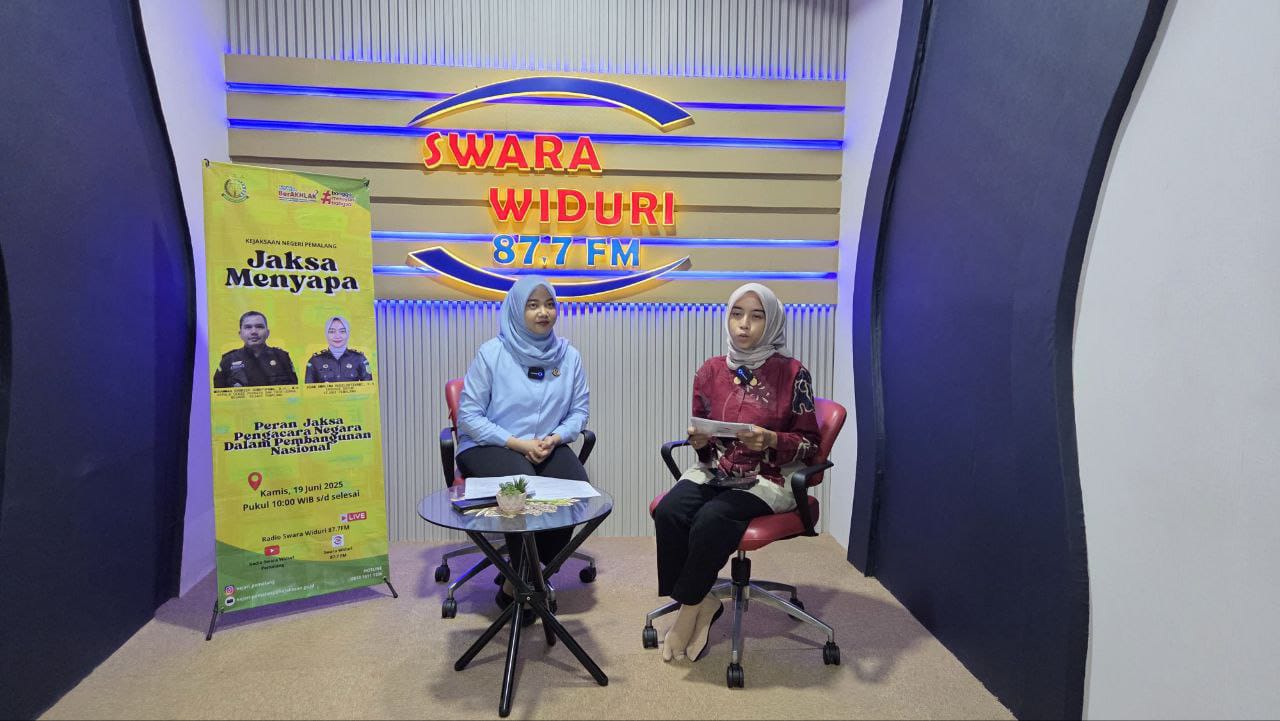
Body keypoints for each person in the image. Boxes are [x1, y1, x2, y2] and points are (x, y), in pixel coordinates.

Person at [652, 283, 820, 662]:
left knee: (712, 518)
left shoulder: (793, 373)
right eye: (736, 314)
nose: (744, 324)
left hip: (769, 478)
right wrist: (700, 443)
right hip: (718, 469)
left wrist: (772, 439)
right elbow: (707, 443)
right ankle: (703, 600)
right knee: (670, 511)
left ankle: (689, 611)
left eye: (756, 316)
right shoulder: (710, 370)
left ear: (771, 322)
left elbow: (811, 444)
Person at [455, 276, 590, 618]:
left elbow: (579, 412)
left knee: (575, 489)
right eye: (533, 305)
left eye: (549, 304)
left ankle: (528, 576)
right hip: (490, 443)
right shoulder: (492, 353)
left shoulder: (569, 356)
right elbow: (468, 417)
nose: (543, 312)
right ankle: (522, 584)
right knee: (521, 487)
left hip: (545, 444)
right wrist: (517, 443)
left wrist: (556, 437)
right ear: (516, 310)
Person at [213, 311, 298, 388]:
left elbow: (294, 391)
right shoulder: (228, 360)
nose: (254, 332)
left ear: (267, 333)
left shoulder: (282, 357)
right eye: (248, 327)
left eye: (259, 327)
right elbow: (218, 394)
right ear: (240, 334)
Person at [305, 316, 373, 383]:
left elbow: (369, 387)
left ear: (348, 334)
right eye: (332, 332)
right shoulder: (315, 360)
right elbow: (308, 388)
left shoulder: (359, 358)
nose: (337, 336)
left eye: (342, 331)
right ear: (326, 334)